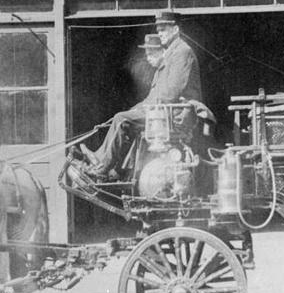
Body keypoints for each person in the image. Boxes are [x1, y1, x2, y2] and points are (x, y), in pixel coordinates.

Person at [82, 12, 202, 179]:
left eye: (164, 29)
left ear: (175, 29)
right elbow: (153, 96)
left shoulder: (182, 52)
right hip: (162, 111)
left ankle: (102, 165)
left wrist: (143, 109)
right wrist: (137, 109)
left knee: (122, 119)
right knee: (124, 118)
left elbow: (172, 92)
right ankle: (115, 170)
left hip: (174, 114)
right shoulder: (171, 54)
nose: (160, 34)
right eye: (159, 30)